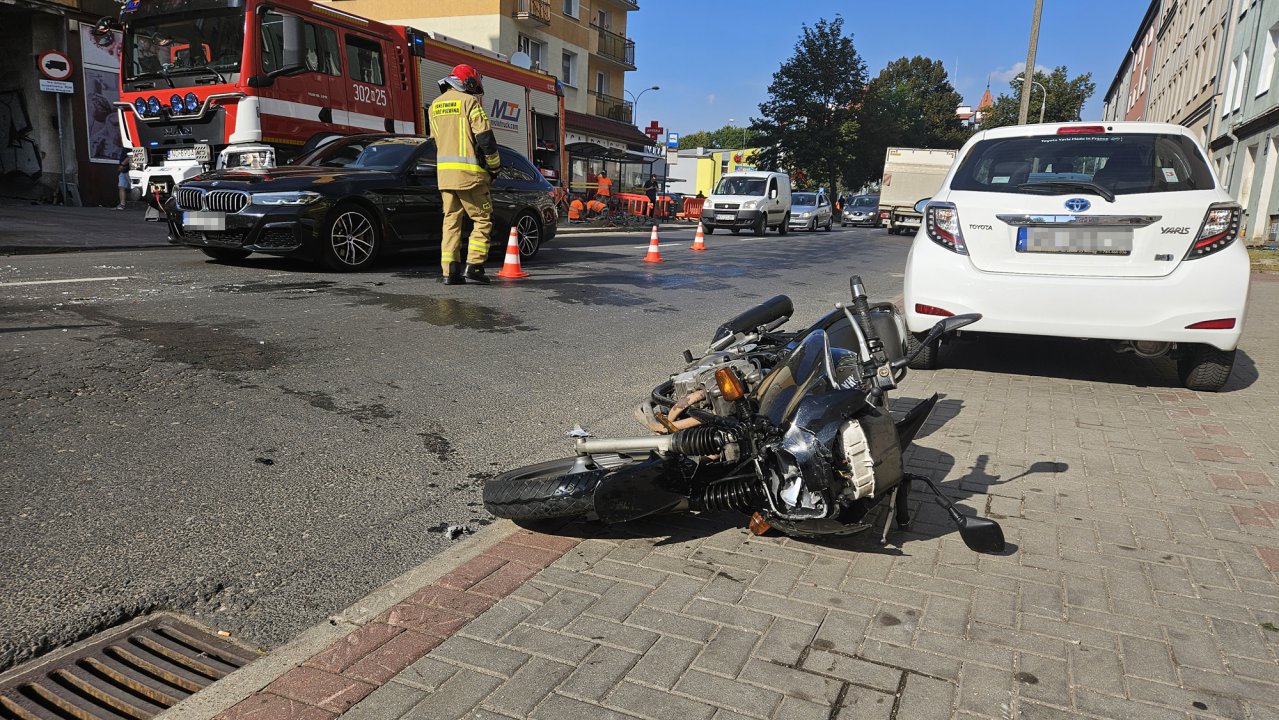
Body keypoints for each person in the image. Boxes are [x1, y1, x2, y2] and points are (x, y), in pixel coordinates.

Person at [428, 64, 501, 285]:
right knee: (483, 219)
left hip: (445, 177)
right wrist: (494, 167)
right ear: (467, 83)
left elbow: (435, 141)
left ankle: (450, 272)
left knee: (451, 221)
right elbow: (485, 139)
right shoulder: (469, 102)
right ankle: (475, 266)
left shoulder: (434, 106)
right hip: (470, 175)